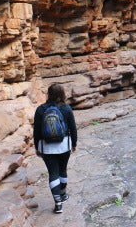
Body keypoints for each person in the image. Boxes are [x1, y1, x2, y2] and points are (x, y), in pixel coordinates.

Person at [33, 83, 77, 214]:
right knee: (62, 170)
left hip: (46, 147)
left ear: (48, 94)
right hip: (64, 145)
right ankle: (63, 194)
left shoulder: (40, 109)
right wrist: (74, 144)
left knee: (53, 173)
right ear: (62, 94)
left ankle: (58, 203)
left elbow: (36, 131)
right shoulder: (66, 108)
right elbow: (73, 128)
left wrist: (37, 147)